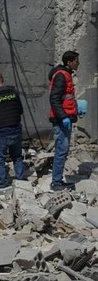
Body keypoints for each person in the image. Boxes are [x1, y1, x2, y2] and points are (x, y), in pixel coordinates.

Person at [48, 50, 80, 191]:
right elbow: (54, 99)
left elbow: (65, 98)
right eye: (76, 60)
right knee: (61, 150)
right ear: (69, 62)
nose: (78, 63)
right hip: (61, 120)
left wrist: (76, 108)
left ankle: (58, 180)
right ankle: (56, 183)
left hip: (64, 118)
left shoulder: (65, 74)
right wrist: (64, 117)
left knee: (63, 150)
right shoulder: (61, 75)